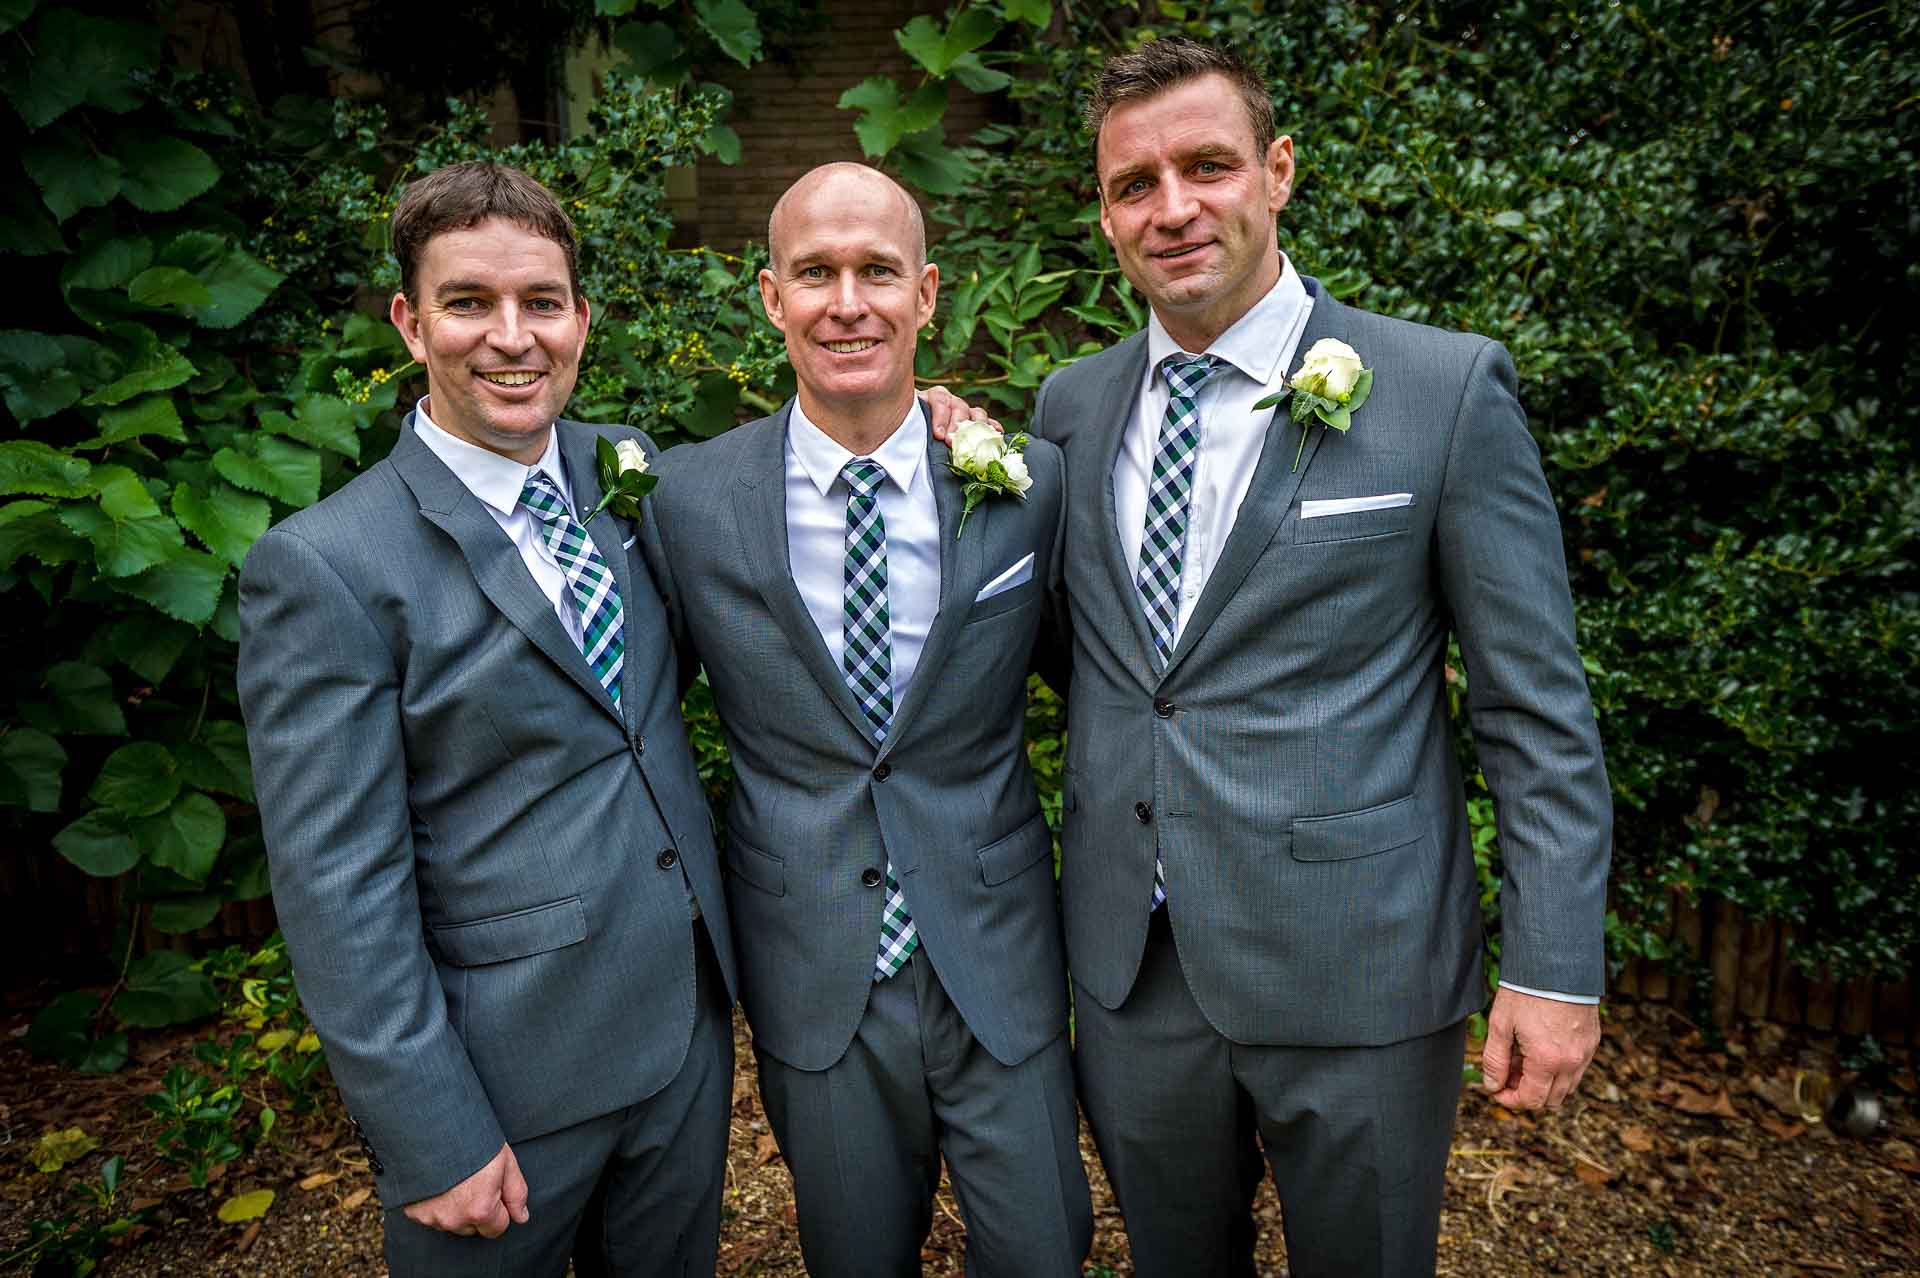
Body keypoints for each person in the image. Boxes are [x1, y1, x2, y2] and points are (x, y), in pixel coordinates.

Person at [1028, 38, 1613, 1277]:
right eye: (1135, 184)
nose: (1172, 208)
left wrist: (1556, 970)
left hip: (1359, 960)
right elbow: (1094, 664)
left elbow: (1534, 708)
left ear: (1278, 171)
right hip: (1135, 972)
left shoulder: (1439, 390)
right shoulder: (1069, 408)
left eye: (1208, 166)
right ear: (1105, 210)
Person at [236, 161, 740, 1276]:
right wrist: (432, 1135)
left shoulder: (634, 473)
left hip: (685, 1033)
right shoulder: (326, 567)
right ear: (411, 324)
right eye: (470, 302)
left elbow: (792, 487)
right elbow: (337, 889)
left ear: (580, 319)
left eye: (541, 303)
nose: (511, 337)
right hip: (505, 1078)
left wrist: (935, 418)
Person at [639, 162, 1091, 1278]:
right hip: (813, 965)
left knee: (1046, 1247)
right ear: (770, 297)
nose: (849, 302)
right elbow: (634, 720)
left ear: (927, 294)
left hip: (996, 952)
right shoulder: (686, 501)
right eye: (817, 273)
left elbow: (1107, 688)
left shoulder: (1028, 484)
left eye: (878, 272)